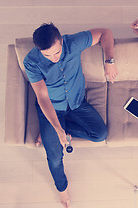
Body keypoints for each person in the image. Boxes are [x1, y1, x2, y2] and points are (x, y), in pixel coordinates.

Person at [23, 23, 118, 207]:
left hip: (76, 103)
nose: (53, 58)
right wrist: (57, 130)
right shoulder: (31, 61)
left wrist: (109, 61)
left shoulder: (73, 42)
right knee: (55, 157)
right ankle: (63, 190)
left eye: (56, 53)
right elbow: (42, 97)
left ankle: (50, 130)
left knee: (100, 134)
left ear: (61, 42)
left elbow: (106, 32)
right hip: (51, 107)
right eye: (47, 55)